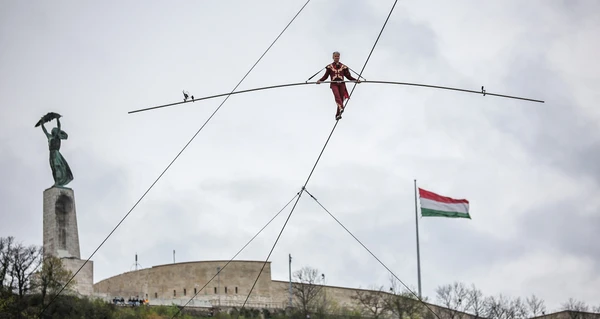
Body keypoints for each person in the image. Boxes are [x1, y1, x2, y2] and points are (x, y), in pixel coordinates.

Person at [317, 51, 360, 120]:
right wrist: (320, 80)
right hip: (334, 84)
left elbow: (348, 77)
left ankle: (337, 114)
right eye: (335, 56)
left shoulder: (343, 67)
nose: (337, 57)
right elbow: (325, 76)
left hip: (342, 84)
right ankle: (341, 108)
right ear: (333, 57)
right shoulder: (330, 67)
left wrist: (356, 80)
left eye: (338, 56)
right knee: (337, 96)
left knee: (341, 98)